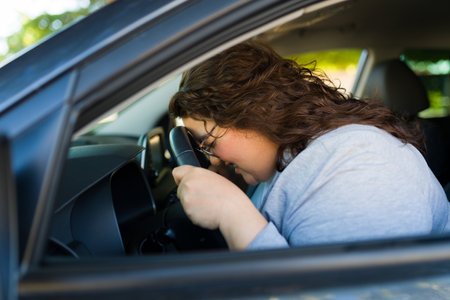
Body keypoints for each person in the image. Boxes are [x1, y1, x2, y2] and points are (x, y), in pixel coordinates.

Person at [168, 40, 449, 251]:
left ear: (253, 113)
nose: (212, 160)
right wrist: (236, 188)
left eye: (206, 143)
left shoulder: (360, 167)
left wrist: (231, 212)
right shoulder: (292, 158)